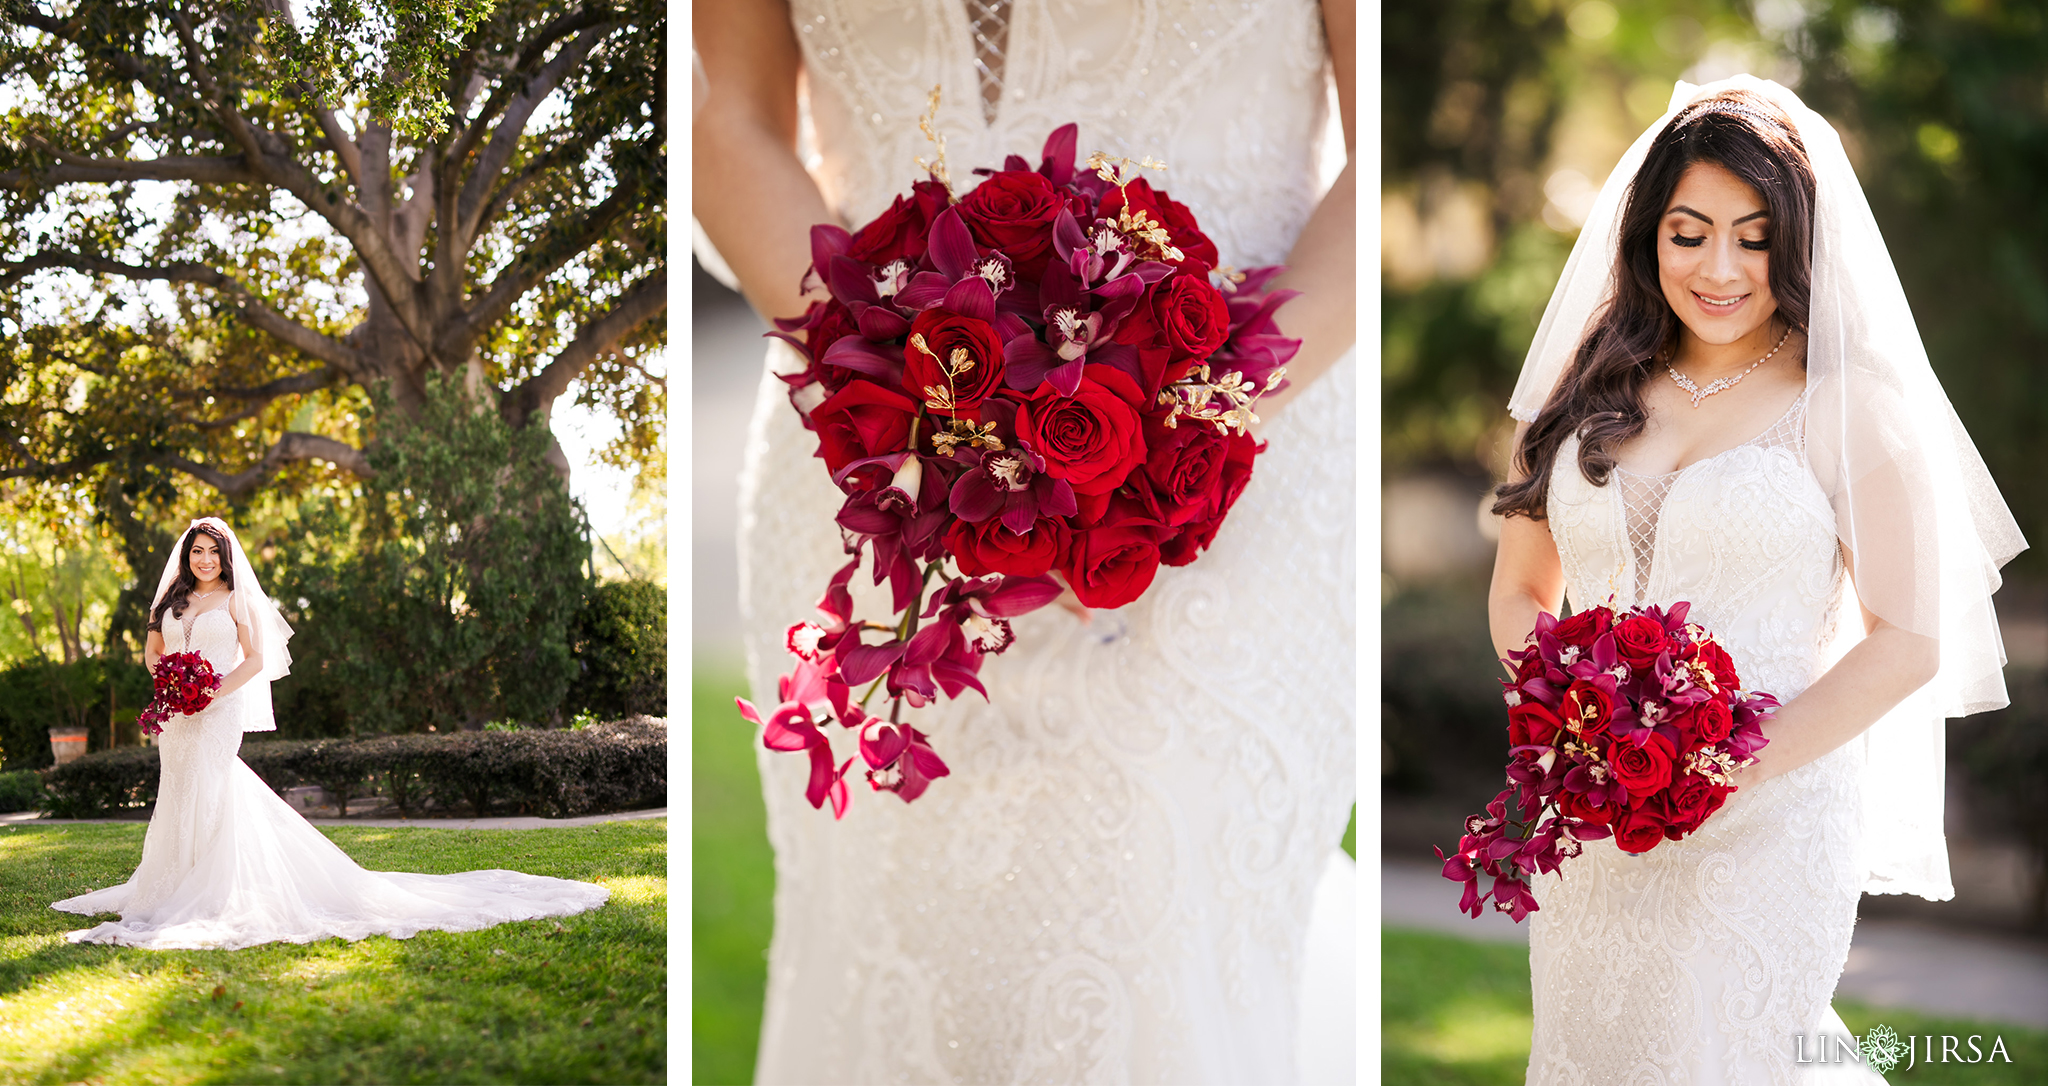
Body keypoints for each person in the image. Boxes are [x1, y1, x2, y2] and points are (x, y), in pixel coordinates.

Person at [694, 0, 1357, 1081]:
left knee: (1161, 947)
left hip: (1225, 483)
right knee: (889, 947)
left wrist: (1172, 433)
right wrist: (902, 406)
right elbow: (729, 117)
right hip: (866, 478)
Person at [1488, 76, 2024, 1083]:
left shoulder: (1847, 406)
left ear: (1796, 240)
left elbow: (1906, 640)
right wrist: (1570, 724)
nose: (1718, 267)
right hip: (1591, 817)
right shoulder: (1581, 385)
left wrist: (1714, 767)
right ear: (1648, 236)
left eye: (1753, 235)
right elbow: (1521, 586)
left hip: (1767, 817)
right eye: (1687, 233)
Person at [52, 517, 609, 950]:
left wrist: (210, 691)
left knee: (213, 785)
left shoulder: (239, 598)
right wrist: (167, 680)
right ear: (186, 556)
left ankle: (220, 886)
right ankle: (171, 882)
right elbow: (153, 648)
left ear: (226, 556)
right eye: (196, 551)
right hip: (176, 713)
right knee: (177, 790)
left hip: (217, 709)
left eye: (213, 552)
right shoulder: (170, 601)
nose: (204, 560)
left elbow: (255, 659)